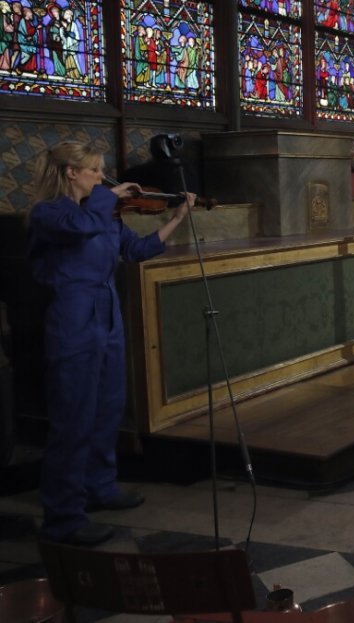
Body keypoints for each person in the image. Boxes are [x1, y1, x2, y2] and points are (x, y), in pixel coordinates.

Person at [28, 141, 195, 546]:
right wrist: (106, 199)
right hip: (73, 316)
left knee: (107, 407)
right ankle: (64, 516)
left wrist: (177, 218)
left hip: (106, 312)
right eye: (94, 171)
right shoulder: (50, 213)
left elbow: (135, 249)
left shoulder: (100, 212)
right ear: (71, 172)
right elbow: (80, 229)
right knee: (74, 417)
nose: (101, 178)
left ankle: (99, 487)